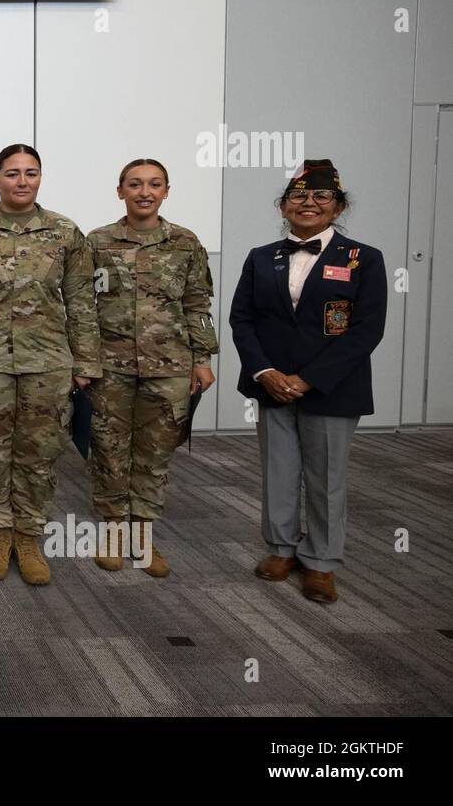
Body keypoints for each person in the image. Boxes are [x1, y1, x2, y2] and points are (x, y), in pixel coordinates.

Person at [230, 159, 386, 604]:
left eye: (321, 197)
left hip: (333, 388)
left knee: (326, 477)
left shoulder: (364, 259)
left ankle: (320, 561)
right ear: (283, 206)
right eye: (299, 196)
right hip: (272, 384)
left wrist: (309, 379)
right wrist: (266, 372)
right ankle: (281, 549)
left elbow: (366, 330)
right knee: (278, 472)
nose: (309, 204)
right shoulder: (262, 258)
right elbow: (242, 320)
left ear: (338, 208)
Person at [0, 144, 100, 585]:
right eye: (12, 173)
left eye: (30, 173)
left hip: (48, 359)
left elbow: (81, 301)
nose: (22, 181)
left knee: (40, 450)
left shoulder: (65, 232)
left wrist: (86, 358)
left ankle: (29, 533)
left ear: (40, 178)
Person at [86, 158, 218, 576]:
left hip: (170, 366)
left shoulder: (185, 242)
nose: (145, 192)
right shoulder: (98, 242)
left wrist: (202, 358)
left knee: (155, 453)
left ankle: (142, 534)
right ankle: (111, 530)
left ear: (166, 191)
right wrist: (84, 359)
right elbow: (81, 306)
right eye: (135, 184)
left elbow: (198, 304)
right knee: (108, 450)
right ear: (119, 189)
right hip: (111, 366)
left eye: (154, 184)